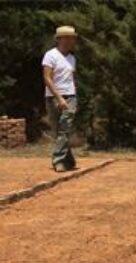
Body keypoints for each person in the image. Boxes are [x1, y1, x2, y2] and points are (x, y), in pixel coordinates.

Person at [42, 26, 78, 172]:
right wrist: (59, 98)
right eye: (67, 37)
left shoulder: (72, 58)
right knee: (58, 131)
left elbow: (72, 79)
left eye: (72, 38)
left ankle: (58, 161)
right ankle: (69, 160)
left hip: (70, 96)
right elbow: (47, 77)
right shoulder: (50, 55)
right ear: (59, 39)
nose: (70, 41)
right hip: (53, 97)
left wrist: (74, 96)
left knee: (65, 129)